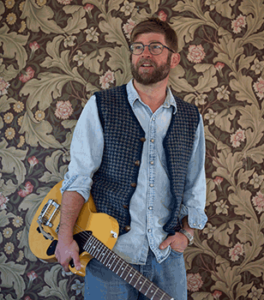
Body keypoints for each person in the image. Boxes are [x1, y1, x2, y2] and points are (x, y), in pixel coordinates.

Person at [55, 17, 207, 300]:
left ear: (174, 59)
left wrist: (187, 234)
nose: (144, 54)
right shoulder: (101, 105)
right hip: (109, 255)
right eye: (138, 47)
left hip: (166, 258)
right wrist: (64, 237)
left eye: (154, 47)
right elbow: (78, 177)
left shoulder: (190, 118)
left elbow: (195, 183)